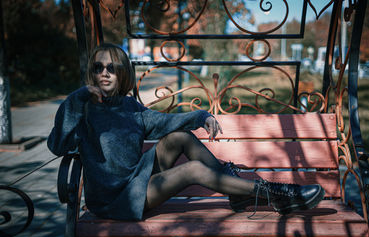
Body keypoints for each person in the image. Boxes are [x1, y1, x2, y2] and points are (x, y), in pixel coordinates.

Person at [47, 43, 325, 221]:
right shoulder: (81, 109)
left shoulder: (130, 107)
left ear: (123, 73)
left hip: (137, 181)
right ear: (92, 74)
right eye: (98, 68)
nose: (105, 73)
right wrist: (77, 98)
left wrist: (203, 116)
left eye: (112, 67)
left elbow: (167, 122)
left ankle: (237, 190)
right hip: (114, 201)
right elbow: (57, 145)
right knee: (191, 170)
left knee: (179, 137)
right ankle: (276, 194)